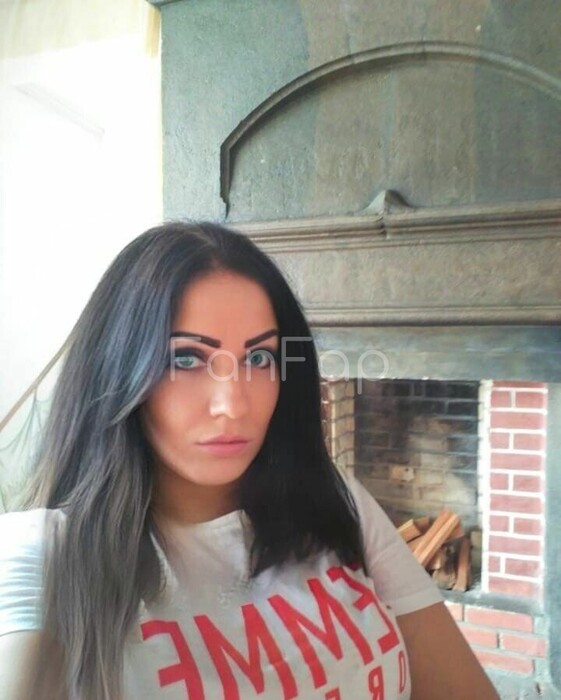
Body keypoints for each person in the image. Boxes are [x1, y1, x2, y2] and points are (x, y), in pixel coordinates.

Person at [0, 222, 499, 700]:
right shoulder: (47, 556)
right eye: (186, 359)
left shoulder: (338, 499)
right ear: (117, 371)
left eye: (259, 359)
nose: (233, 405)